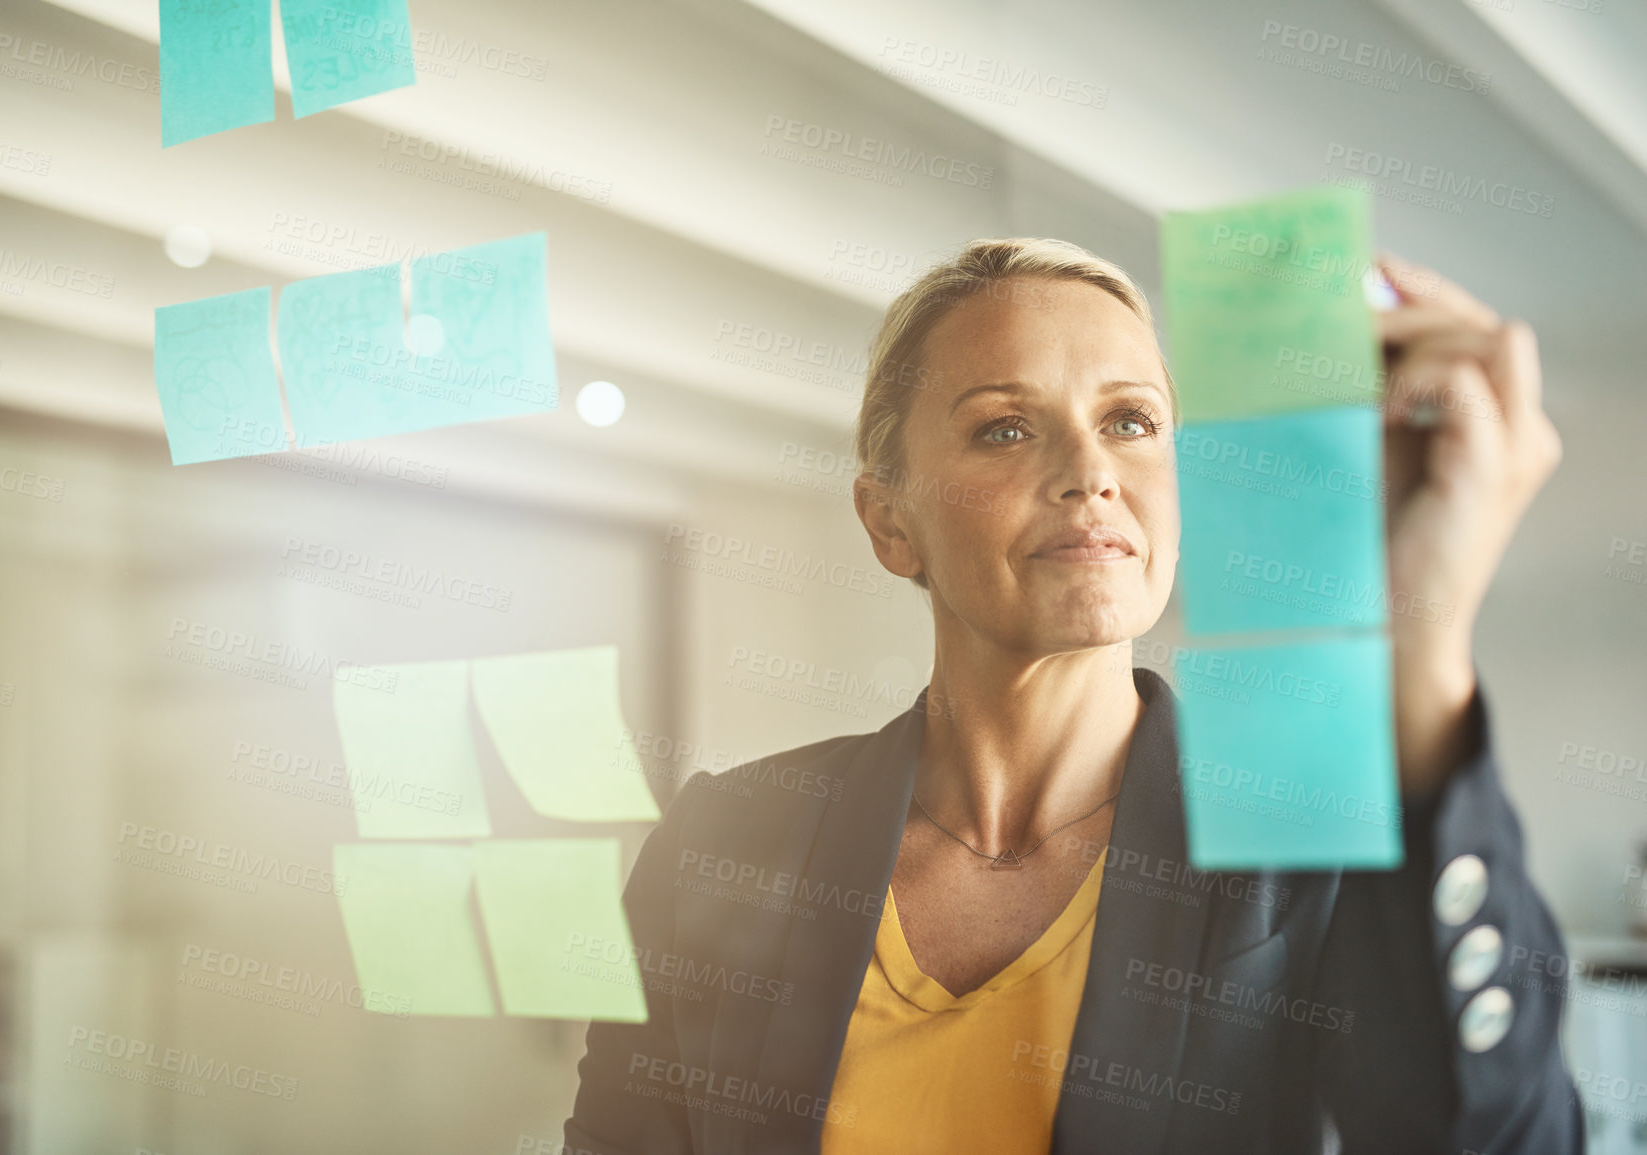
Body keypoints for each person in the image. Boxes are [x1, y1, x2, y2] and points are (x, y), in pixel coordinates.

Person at [564, 238, 1580, 1153]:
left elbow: (1487, 1137)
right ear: (890, 524)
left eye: (1130, 420)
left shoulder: (1303, 850)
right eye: (1005, 429)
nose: (1091, 470)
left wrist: (1423, 636)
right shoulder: (722, 844)